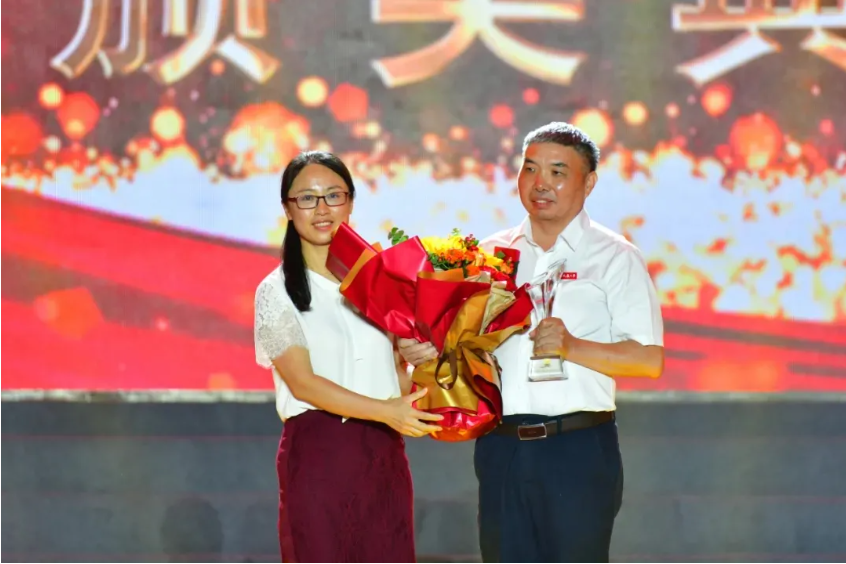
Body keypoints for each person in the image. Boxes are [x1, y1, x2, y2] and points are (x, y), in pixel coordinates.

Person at [399, 122, 664, 562]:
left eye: (558, 172)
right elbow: (462, 347)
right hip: (502, 446)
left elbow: (648, 360)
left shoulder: (615, 256)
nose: (541, 183)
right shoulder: (487, 256)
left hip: (577, 446)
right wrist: (424, 352)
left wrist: (572, 347)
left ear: (589, 183)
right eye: (530, 169)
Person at [254, 150, 443, 563]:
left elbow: (398, 383)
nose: (322, 209)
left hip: (383, 452)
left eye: (333, 195)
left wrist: (420, 360)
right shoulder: (276, 291)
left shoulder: (382, 284)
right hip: (320, 453)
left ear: (351, 202)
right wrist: (387, 410)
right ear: (288, 208)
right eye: (307, 198)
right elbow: (303, 384)